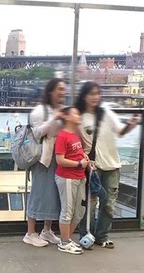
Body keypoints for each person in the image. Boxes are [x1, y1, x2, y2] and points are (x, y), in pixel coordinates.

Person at [76, 82, 141, 248]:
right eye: (91, 94)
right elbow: (75, 142)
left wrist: (131, 125)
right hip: (92, 167)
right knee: (89, 205)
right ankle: (86, 237)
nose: (95, 97)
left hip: (112, 165)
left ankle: (102, 236)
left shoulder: (106, 114)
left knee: (109, 204)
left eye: (97, 94)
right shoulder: (79, 117)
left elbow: (120, 131)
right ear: (84, 95)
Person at [23, 78, 66, 247]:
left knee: (53, 194)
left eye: (63, 89)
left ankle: (47, 230)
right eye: (59, 89)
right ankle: (30, 232)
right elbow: (37, 133)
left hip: (58, 157)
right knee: (38, 193)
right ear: (51, 91)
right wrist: (55, 118)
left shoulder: (61, 109)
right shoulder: (40, 111)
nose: (63, 92)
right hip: (43, 159)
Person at [54, 107, 90, 255]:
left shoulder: (75, 134)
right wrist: (79, 164)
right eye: (75, 113)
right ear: (67, 117)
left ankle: (67, 238)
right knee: (67, 210)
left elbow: (77, 152)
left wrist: (85, 159)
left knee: (79, 211)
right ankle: (64, 242)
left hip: (80, 176)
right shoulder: (62, 136)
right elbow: (60, 160)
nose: (79, 115)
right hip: (67, 177)